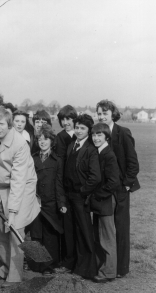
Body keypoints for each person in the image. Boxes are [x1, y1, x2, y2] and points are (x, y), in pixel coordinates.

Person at [0, 107, 40, 289]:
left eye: (1, 124)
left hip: (21, 188)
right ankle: (5, 268)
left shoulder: (20, 144)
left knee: (14, 231)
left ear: (9, 124)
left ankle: (15, 276)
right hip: (0, 187)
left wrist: (12, 212)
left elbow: (18, 180)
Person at [96, 99, 140, 278]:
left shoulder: (123, 133)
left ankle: (122, 268)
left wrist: (127, 185)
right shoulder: (98, 133)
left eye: (105, 114)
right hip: (105, 189)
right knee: (104, 228)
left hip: (121, 188)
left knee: (121, 227)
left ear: (112, 114)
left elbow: (133, 163)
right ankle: (105, 264)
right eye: (99, 114)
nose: (101, 117)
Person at [55, 114, 100, 279]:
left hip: (80, 197)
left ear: (88, 130)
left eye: (83, 128)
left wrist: (82, 192)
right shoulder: (71, 144)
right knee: (69, 231)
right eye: (77, 127)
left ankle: (87, 268)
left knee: (84, 231)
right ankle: (69, 263)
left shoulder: (90, 149)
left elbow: (95, 177)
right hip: (68, 195)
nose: (79, 131)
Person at [30, 124, 66, 275]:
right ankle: (36, 265)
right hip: (35, 202)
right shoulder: (32, 159)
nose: (42, 142)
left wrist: (61, 203)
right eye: (39, 139)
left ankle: (48, 266)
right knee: (36, 234)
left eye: (46, 139)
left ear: (52, 141)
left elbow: (59, 183)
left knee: (50, 234)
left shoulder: (57, 160)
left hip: (51, 203)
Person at [90, 122, 120, 283]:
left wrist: (97, 195)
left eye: (99, 135)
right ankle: (104, 268)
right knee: (101, 235)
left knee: (107, 237)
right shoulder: (100, 151)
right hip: (101, 200)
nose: (95, 138)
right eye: (94, 135)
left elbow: (114, 182)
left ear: (106, 136)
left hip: (106, 200)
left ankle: (108, 272)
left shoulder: (108, 154)